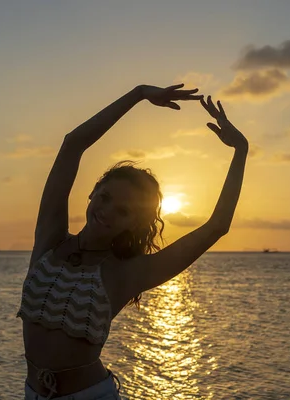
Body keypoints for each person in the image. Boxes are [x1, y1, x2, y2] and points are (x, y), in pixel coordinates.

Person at [17, 84, 249, 399]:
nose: (107, 211)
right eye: (105, 197)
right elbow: (73, 144)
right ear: (92, 193)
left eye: (123, 210)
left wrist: (240, 151)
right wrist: (138, 94)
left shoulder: (127, 272)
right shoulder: (50, 240)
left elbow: (216, 227)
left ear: (134, 223)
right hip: (33, 393)